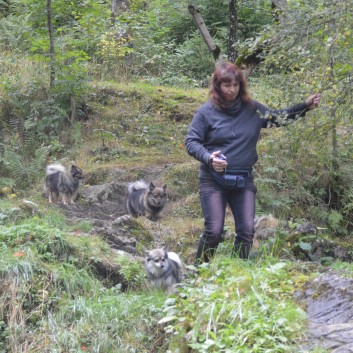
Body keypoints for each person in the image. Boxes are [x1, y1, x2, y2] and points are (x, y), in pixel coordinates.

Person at [185, 62, 321, 263]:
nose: (231, 90)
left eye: (236, 85)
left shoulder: (253, 108)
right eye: (226, 85)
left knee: (246, 231)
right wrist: (208, 158)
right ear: (217, 86)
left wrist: (305, 106)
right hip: (213, 180)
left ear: (241, 85)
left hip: (243, 181)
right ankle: (198, 274)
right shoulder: (206, 112)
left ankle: (236, 273)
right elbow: (191, 141)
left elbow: (278, 118)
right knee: (214, 232)